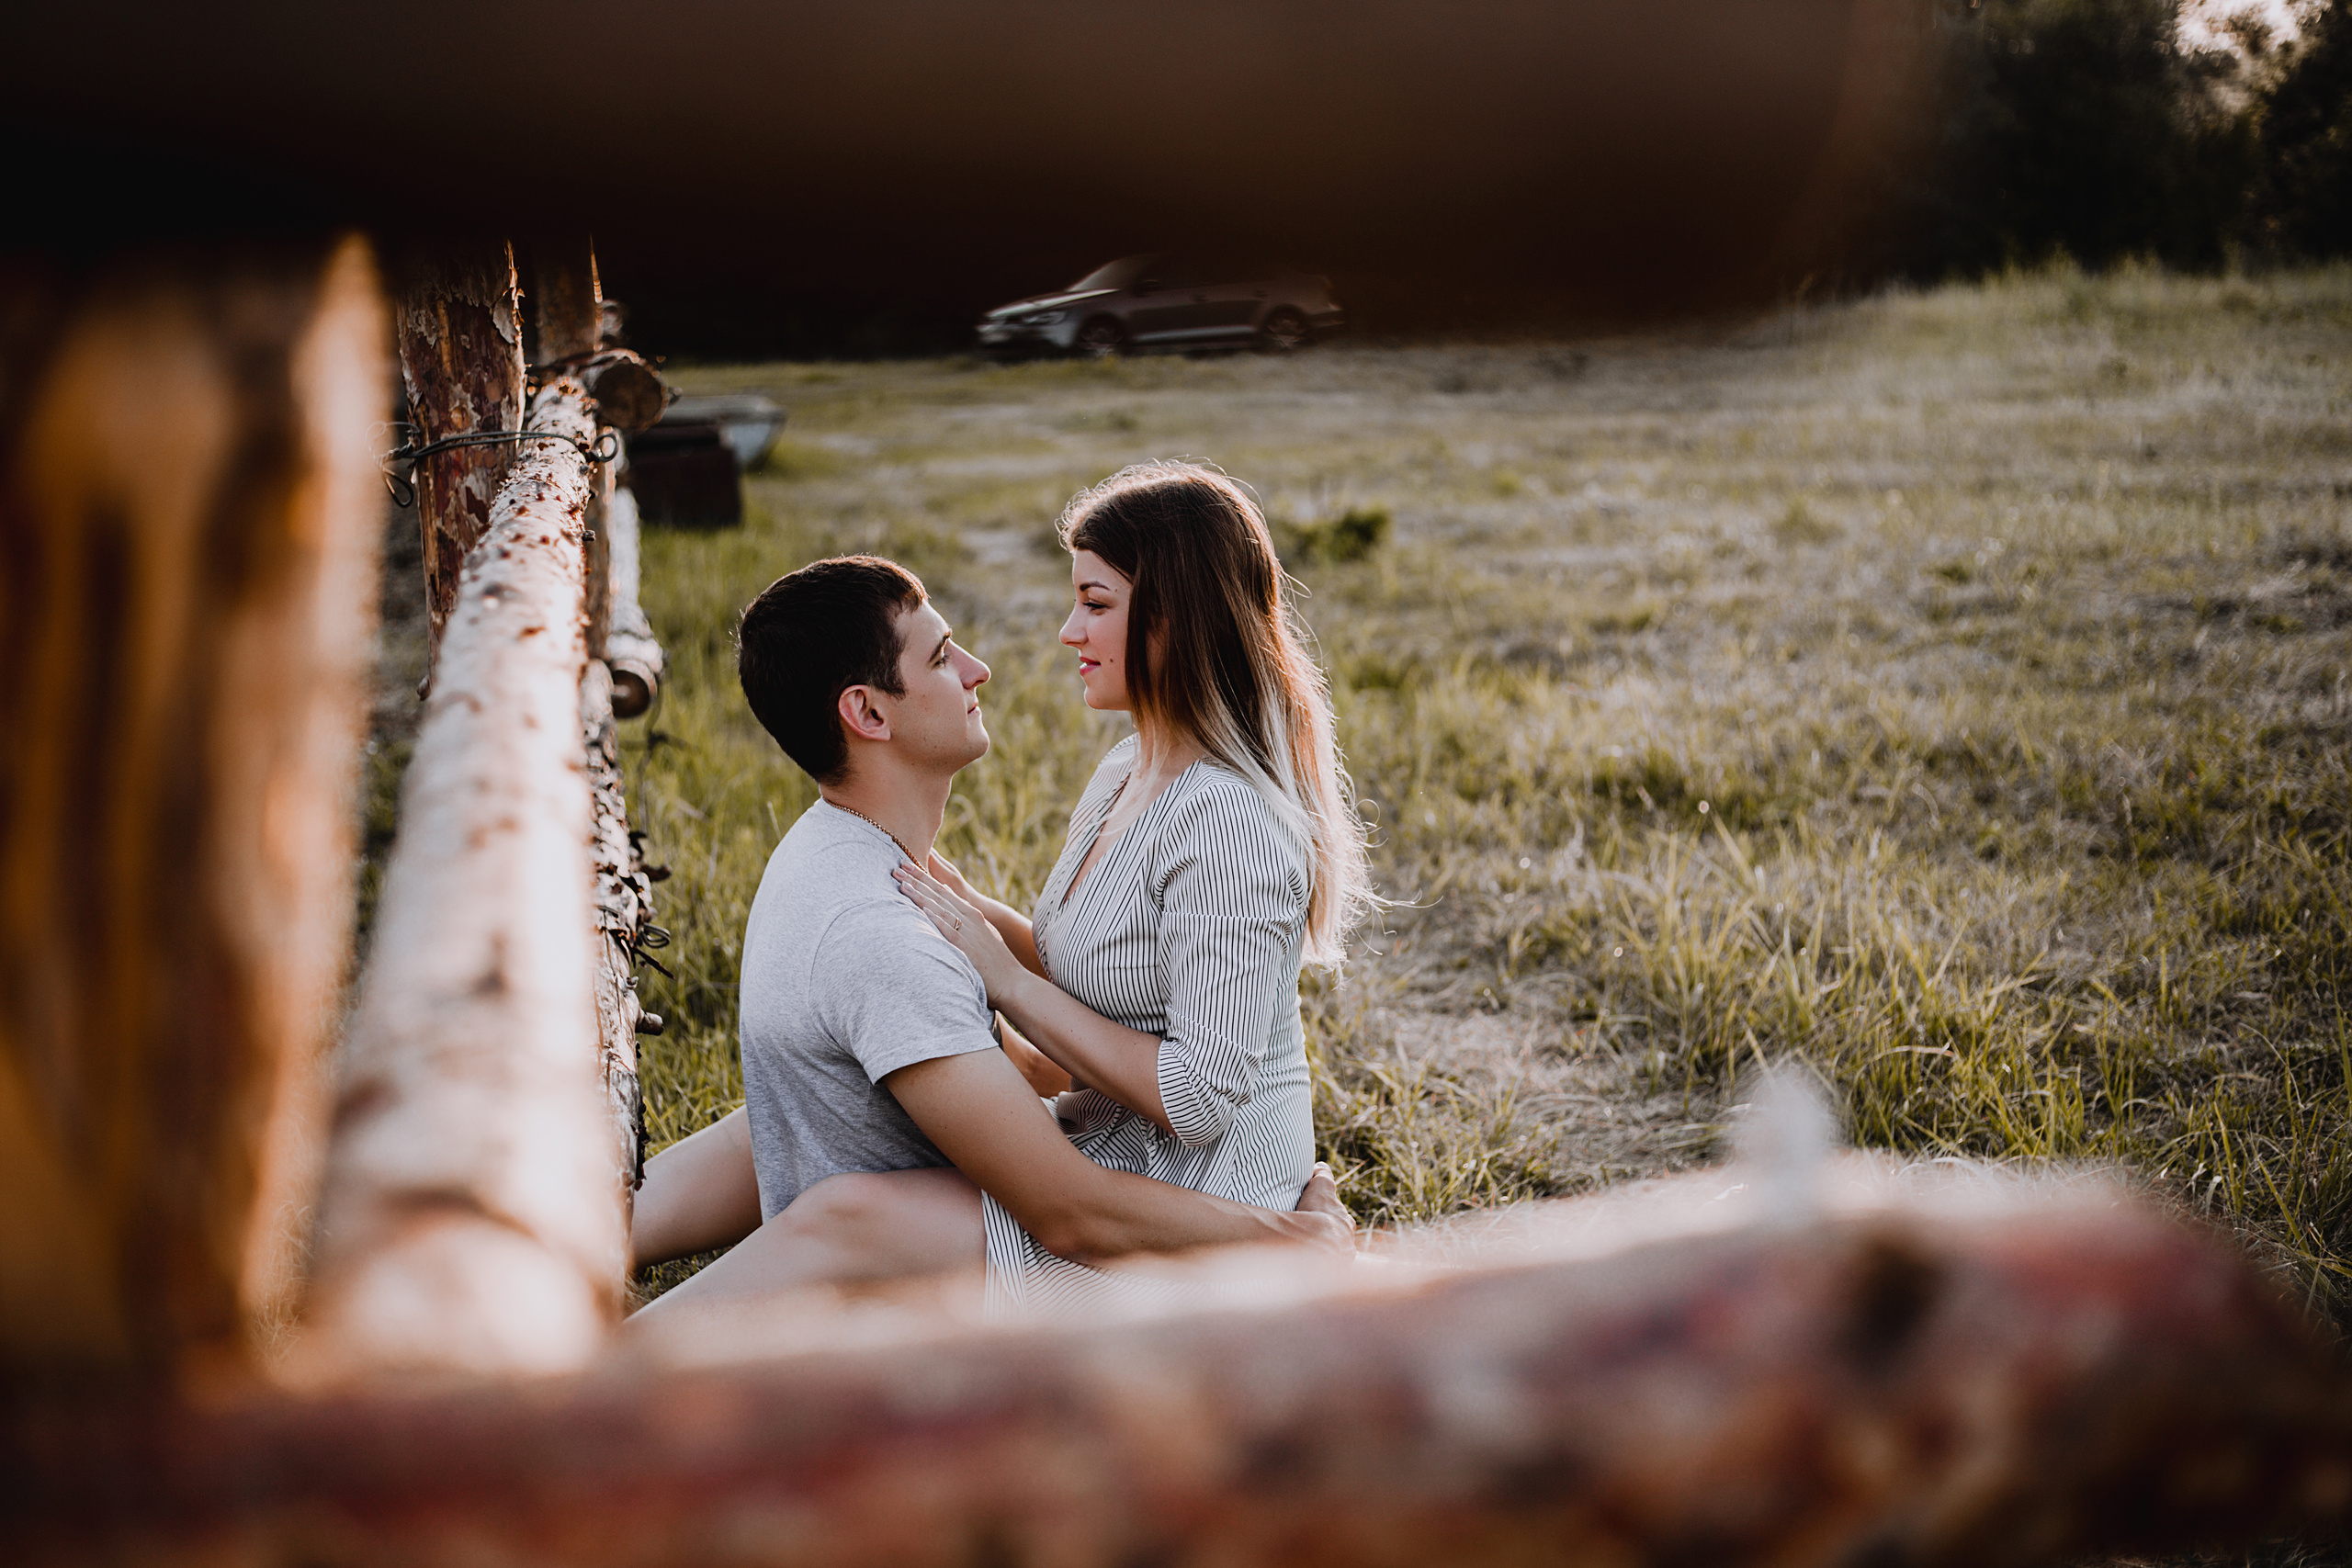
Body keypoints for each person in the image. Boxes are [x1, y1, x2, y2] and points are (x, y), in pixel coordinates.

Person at [628, 551, 1351, 1325]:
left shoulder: (830, 852)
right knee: (847, 1214)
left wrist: (1007, 962)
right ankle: (570, 1383)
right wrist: (1293, 1238)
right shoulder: (883, 932)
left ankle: (585, 1240)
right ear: (870, 714)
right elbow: (1073, 1209)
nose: (979, 670)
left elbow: (1036, 1067)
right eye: (941, 657)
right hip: (1081, 1256)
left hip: (1120, 1176)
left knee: (796, 1140)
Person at [894, 459, 1374, 1311]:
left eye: (1096, 602)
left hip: (1197, 1209)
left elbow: (1198, 1097)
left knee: (854, 1216)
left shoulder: (1231, 823)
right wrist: (961, 903)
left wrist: (1004, 980)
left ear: (1174, 619)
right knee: (862, 1155)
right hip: (1104, 1148)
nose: (1067, 631)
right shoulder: (1129, 767)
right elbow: (1100, 967)